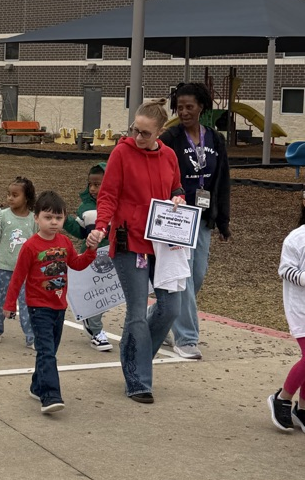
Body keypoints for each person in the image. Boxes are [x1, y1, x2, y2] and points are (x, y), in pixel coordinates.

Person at [87, 98, 185, 404]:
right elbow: (108, 195)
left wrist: (179, 199)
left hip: (164, 243)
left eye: (145, 133)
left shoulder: (169, 156)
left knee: (170, 308)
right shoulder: (122, 152)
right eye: (135, 130)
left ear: (159, 132)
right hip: (130, 242)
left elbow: (177, 187)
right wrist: (101, 227)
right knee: (137, 312)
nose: (137, 137)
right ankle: (138, 379)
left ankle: (136, 353)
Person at [4, 190, 97, 414]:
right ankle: (50, 395)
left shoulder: (65, 242)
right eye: (48, 217)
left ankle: (37, 386)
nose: (53, 222)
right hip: (38, 307)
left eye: (58, 217)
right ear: (36, 218)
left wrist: (91, 250)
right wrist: (9, 304)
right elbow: (18, 277)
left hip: (59, 307)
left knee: (49, 350)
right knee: (47, 352)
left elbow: (76, 263)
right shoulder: (31, 246)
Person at [157, 82, 231, 359]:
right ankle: (187, 338)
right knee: (183, 277)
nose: (184, 112)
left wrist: (223, 221)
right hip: (176, 216)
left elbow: (222, 181)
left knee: (195, 276)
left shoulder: (215, 139)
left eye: (190, 107)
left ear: (202, 107)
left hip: (203, 217)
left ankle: (159, 317)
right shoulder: (170, 138)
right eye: (180, 107)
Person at [0, 175, 37, 346]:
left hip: (26, 270)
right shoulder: (2, 215)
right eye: (9, 194)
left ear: (27, 198)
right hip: (5, 267)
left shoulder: (34, 219)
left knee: (27, 301)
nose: (10, 198)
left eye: (15, 195)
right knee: (2, 297)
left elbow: (37, 242)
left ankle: (32, 336)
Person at [64, 163, 113, 352]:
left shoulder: (121, 203)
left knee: (118, 293)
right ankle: (96, 331)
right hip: (94, 259)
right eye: (90, 184)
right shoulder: (86, 208)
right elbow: (82, 232)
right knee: (98, 294)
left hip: (119, 256)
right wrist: (66, 220)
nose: (93, 189)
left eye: (98, 184)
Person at [269, 194, 305, 432]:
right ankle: (282, 398)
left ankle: (302, 410)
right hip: (300, 306)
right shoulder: (297, 238)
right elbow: (285, 270)